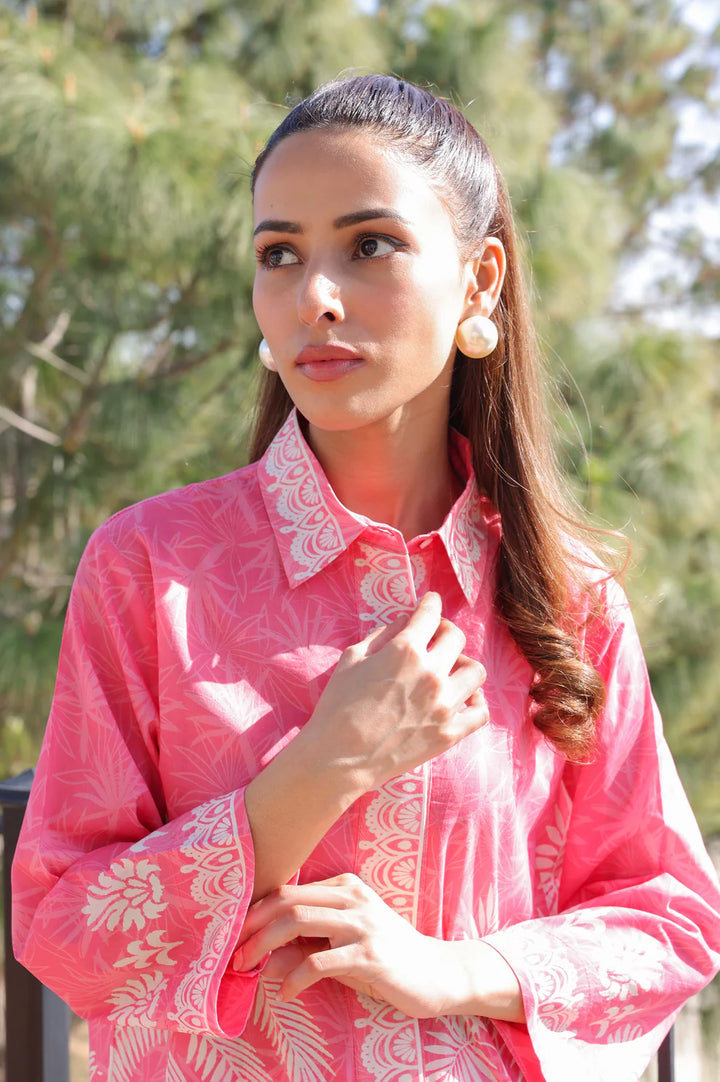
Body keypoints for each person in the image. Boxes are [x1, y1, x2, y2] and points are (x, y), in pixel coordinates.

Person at [12, 74, 720, 1082]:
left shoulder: (568, 597)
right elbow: (60, 925)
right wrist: (324, 768)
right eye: (279, 254)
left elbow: (671, 915)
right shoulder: (151, 565)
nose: (315, 296)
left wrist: (460, 970)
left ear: (479, 282)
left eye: (370, 244)